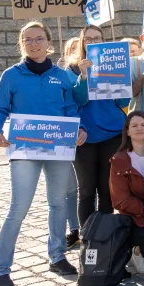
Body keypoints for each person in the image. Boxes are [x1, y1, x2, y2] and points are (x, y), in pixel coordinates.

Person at [0, 22, 88, 286]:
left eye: (39, 38)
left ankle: (57, 256)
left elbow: (70, 108)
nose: (34, 43)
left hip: (58, 147)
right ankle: (0, 269)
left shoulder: (62, 76)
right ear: (22, 44)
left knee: (58, 203)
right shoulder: (12, 75)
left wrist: (78, 128)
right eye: (28, 39)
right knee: (18, 208)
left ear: (49, 42)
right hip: (24, 149)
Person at [67, 25, 131, 238]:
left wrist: (122, 80)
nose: (93, 42)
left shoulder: (113, 65)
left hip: (112, 134)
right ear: (82, 42)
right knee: (86, 190)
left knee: (106, 188)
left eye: (97, 38)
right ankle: (87, 236)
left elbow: (123, 102)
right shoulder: (72, 69)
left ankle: (104, 236)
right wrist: (84, 77)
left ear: (103, 41)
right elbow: (78, 100)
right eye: (88, 39)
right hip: (84, 137)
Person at [110, 111, 144, 276]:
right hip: (137, 216)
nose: (139, 128)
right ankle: (137, 251)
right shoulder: (119, 160)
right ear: (127, 131)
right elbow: (120, 201)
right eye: (134, 125)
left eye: (143, 125)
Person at [58, 38, 82, 248]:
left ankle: (88, 226)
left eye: (78, 48)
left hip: (86, 133)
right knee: (70, 188)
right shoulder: (61, 75)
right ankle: (73, 229)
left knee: (86, 188)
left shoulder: (94, 71)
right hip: (65, 136)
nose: (77, 51)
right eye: (72, 49)